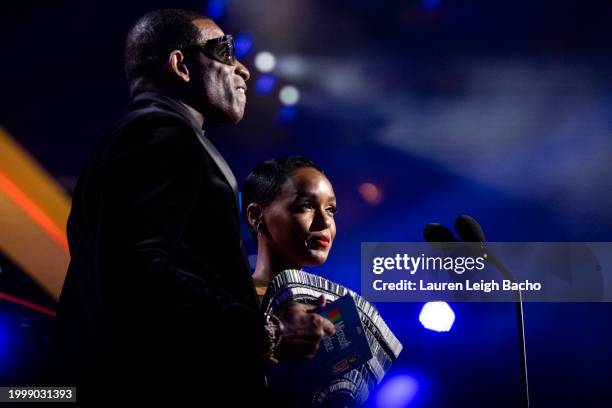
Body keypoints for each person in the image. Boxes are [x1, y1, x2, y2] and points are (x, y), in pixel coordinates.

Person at [55, 9, 334, 405]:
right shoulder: (161, 132)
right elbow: (135, 270)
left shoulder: (139, 136)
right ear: (180, 65)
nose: (244, 70)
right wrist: (266, 332)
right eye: (225, 52)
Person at [242, 156, 403, 408]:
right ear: (255, 215)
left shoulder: (333, 307)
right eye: (305, 205)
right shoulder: (225, 295)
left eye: (330, 210)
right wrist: (273, 335)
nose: (325, 221)